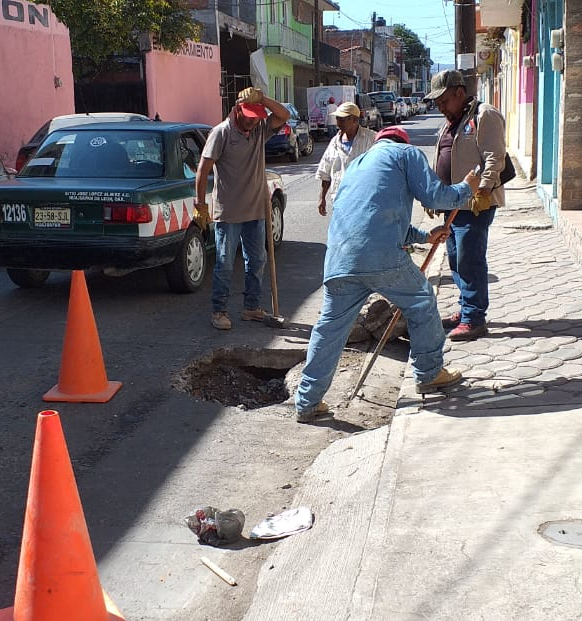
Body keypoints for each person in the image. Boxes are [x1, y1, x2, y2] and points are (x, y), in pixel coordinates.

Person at [293, 126, 481, 423]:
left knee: (329, 330)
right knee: (421, 302)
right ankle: (429, 372)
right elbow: (436, 197)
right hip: (382, 258)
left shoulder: (357, 165)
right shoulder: (406, 153)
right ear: (400, 142)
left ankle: (307, 402)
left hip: (340, 261)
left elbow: (373, 218)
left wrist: (424, 236)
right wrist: (467, 187)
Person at [195, 87, 290, 331]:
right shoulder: (221, 133)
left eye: (256, 116)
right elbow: (203, 170)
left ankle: (251, 307)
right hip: (229, 212)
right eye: (248, 115)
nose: (252, 120)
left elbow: (284, 115)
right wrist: (201, 205)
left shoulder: (259, 129)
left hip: (257, 209)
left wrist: (263, 98)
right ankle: (219, 311)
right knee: (225, 263)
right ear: (237, 109)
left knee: (257, 260)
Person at [426, 69, 508, 342]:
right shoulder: (452, 120)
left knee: (470, 259)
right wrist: (434, 196)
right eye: (436, 102)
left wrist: (484, 189)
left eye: (443, 100)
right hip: (452, 202)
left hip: (475, 203)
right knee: (455, 259)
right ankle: (465, 309)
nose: (439, 106)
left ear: (459, 93)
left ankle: (474, 318)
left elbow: (494, 157)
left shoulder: (484, 115)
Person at [314, 101, 378, 216]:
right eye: (337, 119)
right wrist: (321, 198)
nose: (338, 123)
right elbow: (326, 172)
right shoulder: (334, 142)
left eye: (342, 119)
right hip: (340, 201)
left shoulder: (371, 138)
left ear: (354, 120)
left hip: (364, 202)